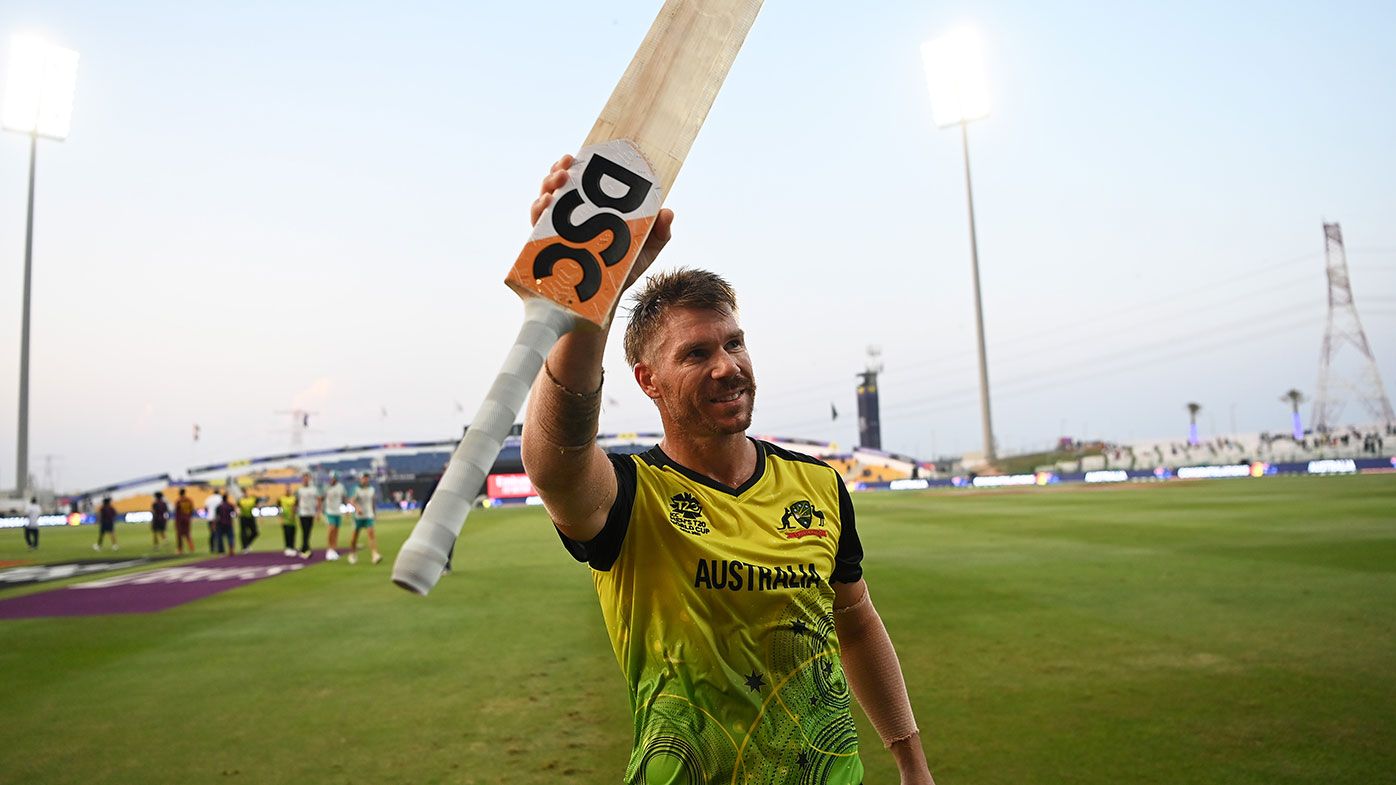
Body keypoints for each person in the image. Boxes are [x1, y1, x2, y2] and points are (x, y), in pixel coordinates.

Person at [520, 157, 934, 785]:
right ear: (647, 380)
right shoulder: (633, 496)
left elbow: (856, 622)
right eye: (696, 353)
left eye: (734, 343)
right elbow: (553, 459)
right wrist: (593, 298)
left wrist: (911, 762)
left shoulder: (818, 485)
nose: (727, 366)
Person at [346, 472, 381, 565]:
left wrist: (374, 513)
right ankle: (352, 553)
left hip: (368, 515)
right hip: (358, 517)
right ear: (360, 479)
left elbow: (372, 502)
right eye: (364, 478)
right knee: (354, 537)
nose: (365, 479)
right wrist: (357, 508)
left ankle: (375, 554)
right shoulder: (356, 489)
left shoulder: (371, 489)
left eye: (367, 478)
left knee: (371, 534)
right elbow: (351, 501)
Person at [322, 473, 346, 561]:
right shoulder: (326, 487)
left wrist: (346, 509)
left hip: (338, 512)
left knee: (336, 531)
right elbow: (321, 498)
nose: (331, 479)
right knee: (331, 530)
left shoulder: (341, 487)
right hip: (329, 511)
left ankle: (333, 549)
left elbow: (344, 498)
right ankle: (329, 549)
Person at [295, 473, 320, 559]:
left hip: (311, 513)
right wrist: (295, 511)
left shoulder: (313, 489)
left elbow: (318, 500)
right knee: (305, 531)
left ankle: (304, 547)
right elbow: (297, 501)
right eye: (304, 478)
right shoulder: (300, 490)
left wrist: (318, 512)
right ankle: (306, 548)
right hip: (303, 513)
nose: (305, 480)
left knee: (308, 531)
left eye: (307, 478)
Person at [173, 488, 196, 554]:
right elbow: (191, 509)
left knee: (179, 535)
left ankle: (180, 549)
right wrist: (189, 517)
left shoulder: (179, 501)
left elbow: (177, 512)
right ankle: (191, 548)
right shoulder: (189, 500)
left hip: (180, 520)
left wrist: (176, 521)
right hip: (187, 519)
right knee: (187, 534)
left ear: (179, 493)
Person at [279, 486, 298, 557]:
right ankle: (287, 548)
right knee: (287, 534)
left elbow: (295, 507)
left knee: (292, 534)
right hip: (285, 520)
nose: (288, 491)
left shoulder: (294, 498)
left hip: (292, 520)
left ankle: (292, 547)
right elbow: (280, 509)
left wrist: (294, 512)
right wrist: (280, 518)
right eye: (287, 490)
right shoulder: (281, 499)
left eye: (289, 490)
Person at [205, 488, 224, 553]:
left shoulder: (209, 498)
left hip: (210, 518)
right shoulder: (220, 498)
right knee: (219, 533)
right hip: (218, 518)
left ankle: (212, 548)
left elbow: (206, 508)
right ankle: (220, 548)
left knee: (212, 533)